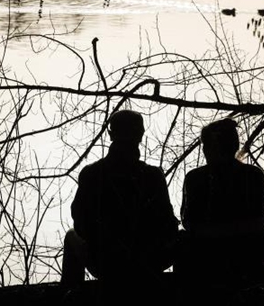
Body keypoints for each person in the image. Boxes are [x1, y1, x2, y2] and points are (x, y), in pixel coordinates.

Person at [61, 110, 179, 289]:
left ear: (111, 134)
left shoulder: (92, 173)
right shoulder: (153, 175)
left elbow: (81, 223)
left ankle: (70, 294)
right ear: (140, 135)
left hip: (106, 262)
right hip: (148, 261)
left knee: (71, 235)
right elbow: (169, 224)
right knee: (184, 238)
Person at [178, 118, 264, 280]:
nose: (205, 151)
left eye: (207, 145)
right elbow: (189, 221)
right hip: (210, 248)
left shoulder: (251, 176)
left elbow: (257, 219)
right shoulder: (196, 178)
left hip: (243, 248)